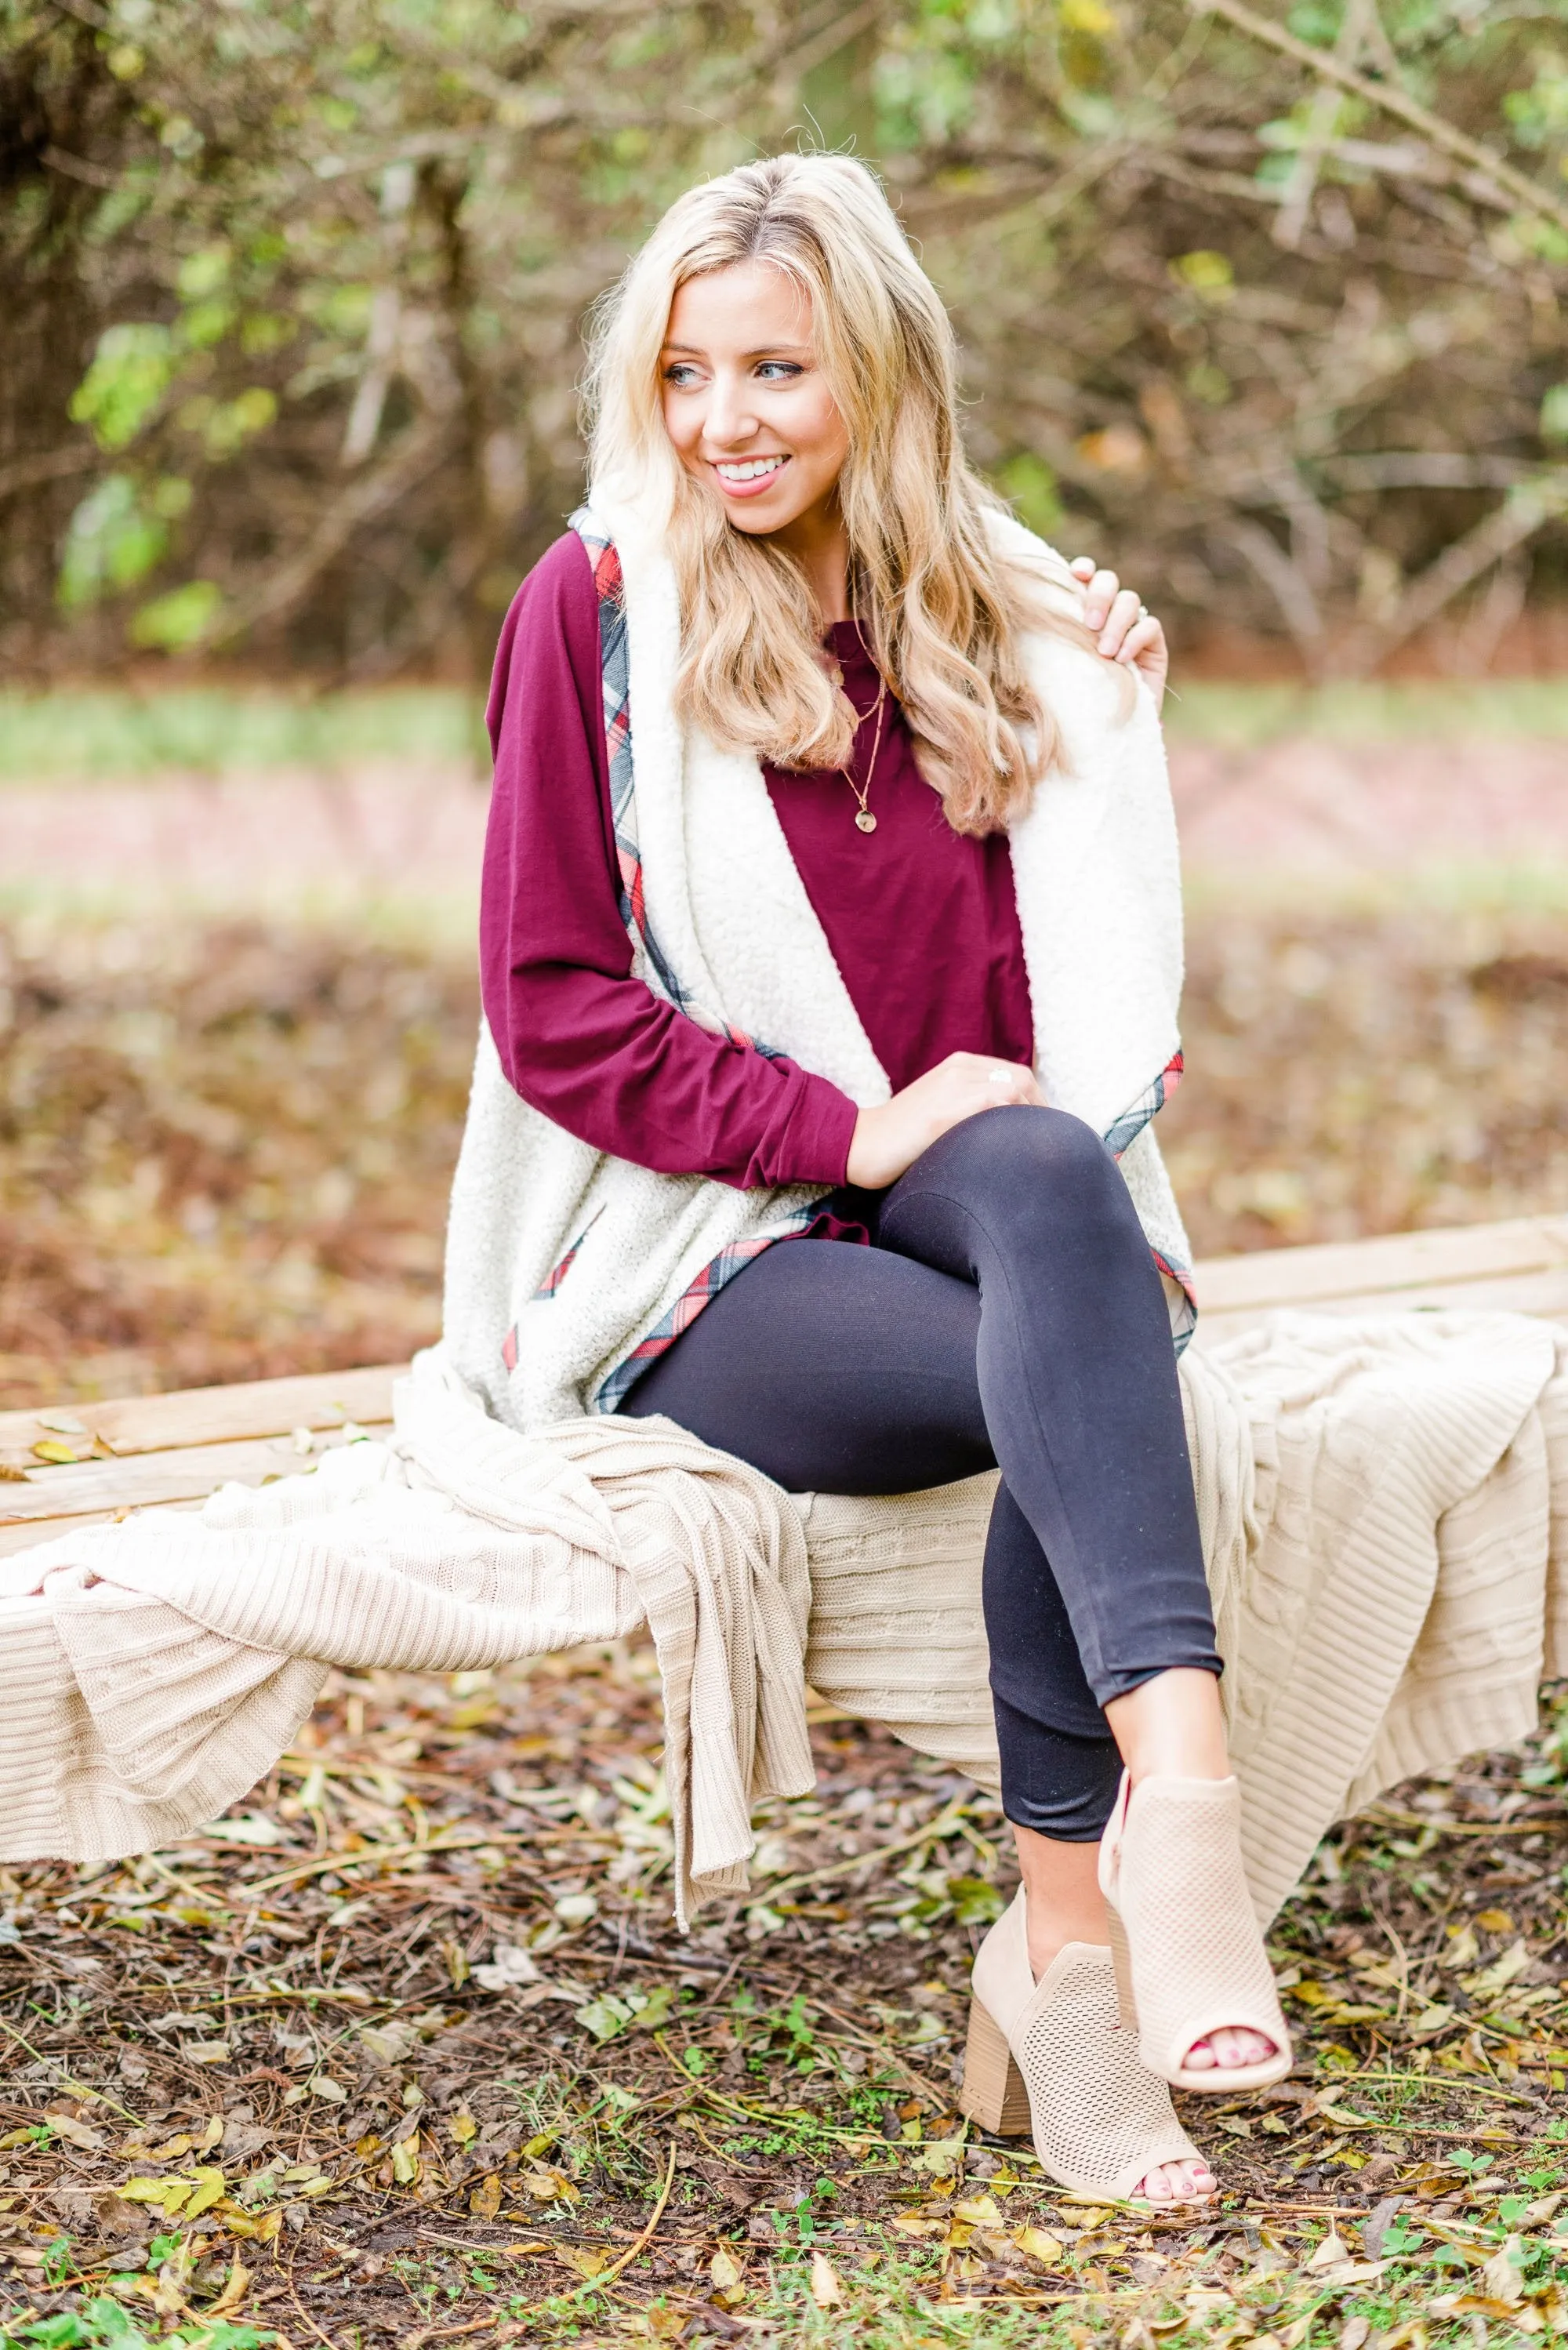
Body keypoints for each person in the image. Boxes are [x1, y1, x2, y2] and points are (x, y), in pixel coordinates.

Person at [454, 152, 1291, 2207]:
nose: (721, 420)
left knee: (1047, 1215)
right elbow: (553, 1001)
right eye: (682, 371)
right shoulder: (604, 616)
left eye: (776, 369)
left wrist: (1105, 692)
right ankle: (1120, 1913)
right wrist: (844, 1129)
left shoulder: (995, 614)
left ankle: (1115, 1898)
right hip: (715, 1258)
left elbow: (1055, 1037)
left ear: (883, 377)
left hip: (988, 1208)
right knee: (1090, 1356)